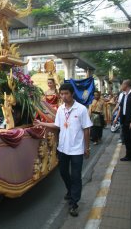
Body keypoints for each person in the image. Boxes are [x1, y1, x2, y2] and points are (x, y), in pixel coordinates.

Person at [35, 83, 92, 217]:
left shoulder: (81, 109)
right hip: (63, 148)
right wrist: (41, 123)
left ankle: (74, 203)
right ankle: (70, 190)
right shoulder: (61, 109)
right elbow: (57, 125)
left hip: (77, 149)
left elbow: (86, 129)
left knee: (76, 176)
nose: (64, 96)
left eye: (66, 93)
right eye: (62, 94)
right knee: (63, 173)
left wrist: (87, 147)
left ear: (72, 94)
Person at [114, 79, 131, 167]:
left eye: (122, 84)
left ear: (126, 85)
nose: (121, 86)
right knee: (127, 139)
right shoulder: (124, 95)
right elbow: (121, 108)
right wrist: (116, 118)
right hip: (125, 120)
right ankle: (129, 155)